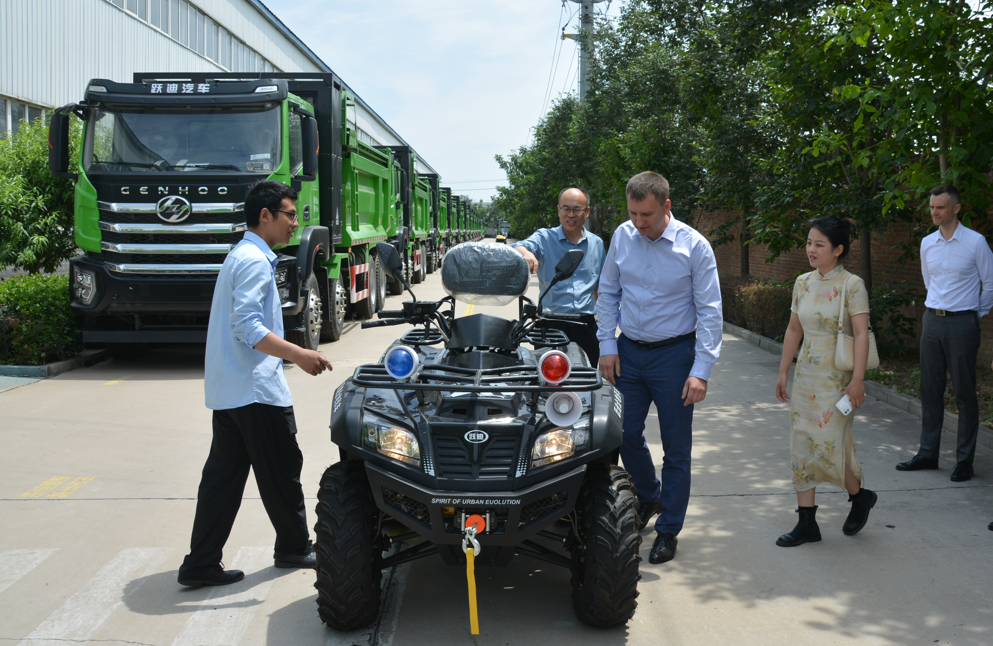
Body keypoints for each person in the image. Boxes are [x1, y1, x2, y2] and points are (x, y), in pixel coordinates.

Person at [177, 180, 334, 588]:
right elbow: (247, 325)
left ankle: (201, 563)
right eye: (290, 214)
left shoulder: (242, 255)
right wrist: (298, 354)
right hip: (255, 389)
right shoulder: (252, 260)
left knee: (223, 481)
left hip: (233, 391)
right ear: (265, 216)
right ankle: (295, 547)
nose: (295, 224)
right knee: (283, 469)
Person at [596, 172, 722, 565]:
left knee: (677, 448)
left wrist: (700, 370)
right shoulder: (622, 235)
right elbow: (609, 291)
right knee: (623, 434)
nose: (639, 222)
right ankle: (649, 494)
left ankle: (668, 529)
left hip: (675, 356)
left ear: (667, 205)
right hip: (629, 353)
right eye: (633, 213)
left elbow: (710, 312)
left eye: (646, 214)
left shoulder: (694, 247)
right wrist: (607, 345)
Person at [774, 217, 876, 547]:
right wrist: (783, 371)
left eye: (819, 244)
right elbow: (793, 330)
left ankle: (859, 496)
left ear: (838, 249)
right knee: (802, 443)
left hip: (837, 379)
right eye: (808, 243)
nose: (811, 250)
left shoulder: (852, 285)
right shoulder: (802, 282)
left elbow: (861, 333)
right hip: (806, 375)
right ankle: (807, 523)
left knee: (830, 443)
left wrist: (857, 380)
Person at [896, 184, 993, 482]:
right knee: (930, 390)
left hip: (962, 323)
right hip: (932, 321)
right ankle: (928, 453)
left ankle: (964, 461)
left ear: (956, 208)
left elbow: (989, 285)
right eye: (932, 207)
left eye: (940, 207)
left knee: (964, 394)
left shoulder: (976, 243)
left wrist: (970, 316)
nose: (934, 212)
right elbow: (929, 281)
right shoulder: (927, 243)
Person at [514, 187, 606, 365]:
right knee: (547, 383)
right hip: (551, 324)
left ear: (587, 212)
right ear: (558, 210)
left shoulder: (597, 243)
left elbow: (599, 289)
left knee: (587, 380)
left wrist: (605, 329)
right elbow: (517, 246)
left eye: (577, 209)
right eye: (566, 208)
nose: (571, 214)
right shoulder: (544, 238)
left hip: (585, 325)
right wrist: (526, 253)